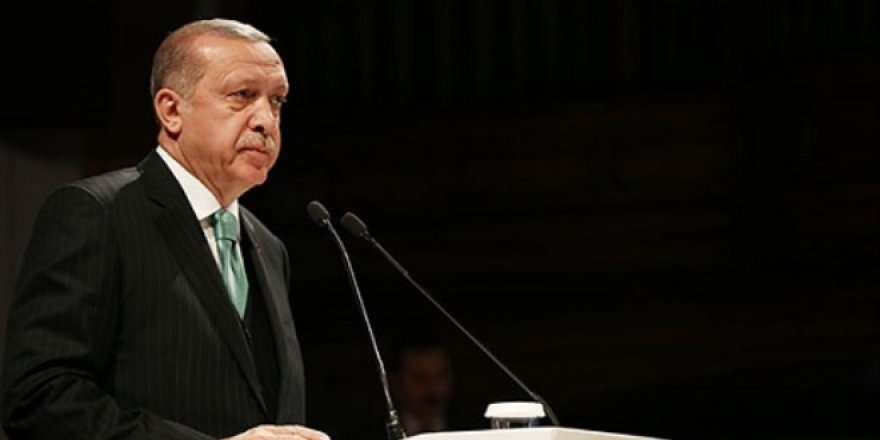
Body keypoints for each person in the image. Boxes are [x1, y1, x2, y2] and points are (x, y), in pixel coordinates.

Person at [1, 19, 328, 440]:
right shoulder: (98, 213)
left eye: (277, 100)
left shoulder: (268, 246)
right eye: (242, 95)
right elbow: (40, 398)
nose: (266, 120)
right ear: (172, 110)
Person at [388, 335, 456, 436]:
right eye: (419, 378)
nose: (432, 388)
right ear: (396, 383)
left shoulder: (472, 431)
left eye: (439, 376)